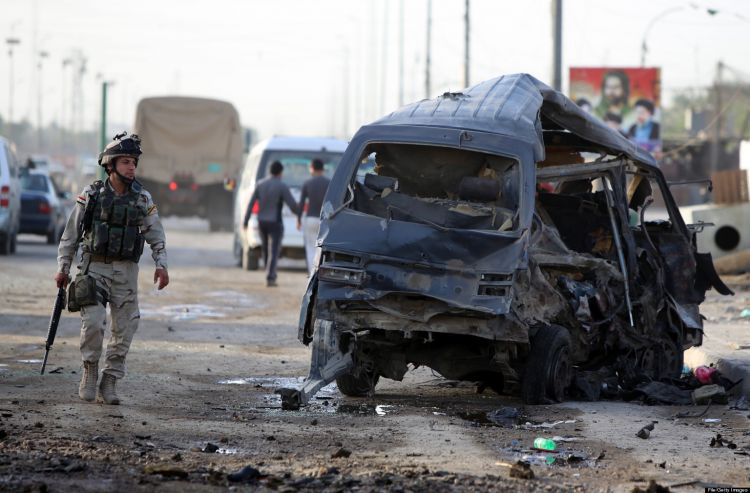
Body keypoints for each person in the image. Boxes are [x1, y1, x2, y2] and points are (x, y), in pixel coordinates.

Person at [55, 132, 169, 405]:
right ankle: (90, 370)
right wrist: (63, 268)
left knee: (126, 328)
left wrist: (161, 264)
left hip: (126, 273)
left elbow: (155, 233)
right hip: (94, 268)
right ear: (111, 164)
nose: (132, 167)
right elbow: (71, 235)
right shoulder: (91, 194)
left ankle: (110, 379)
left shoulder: (142, 198)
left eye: (134, 162)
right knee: (93, 323)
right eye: (126, 161)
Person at [243, 161, 299, 287]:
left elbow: (251, 204)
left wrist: (245, 221)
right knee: (274, 250)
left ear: (270, 171)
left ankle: (268, 271)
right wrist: (299, 215)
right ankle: (270, 276)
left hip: (261, 221)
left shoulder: (260, 184)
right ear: (280, 172)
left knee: (265, 249)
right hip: (275, 222)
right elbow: (292, 205)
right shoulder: (282, 186)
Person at [297, 159, 330, 275]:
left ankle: (312, 273)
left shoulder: (307, 183)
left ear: (312, 168)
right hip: (325, 220)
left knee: (310, 247)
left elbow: (301, 204)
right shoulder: (329, 183)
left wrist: (298, 220)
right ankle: (320, 271)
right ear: (322, 168)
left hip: (310, 218)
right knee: (321, 247)